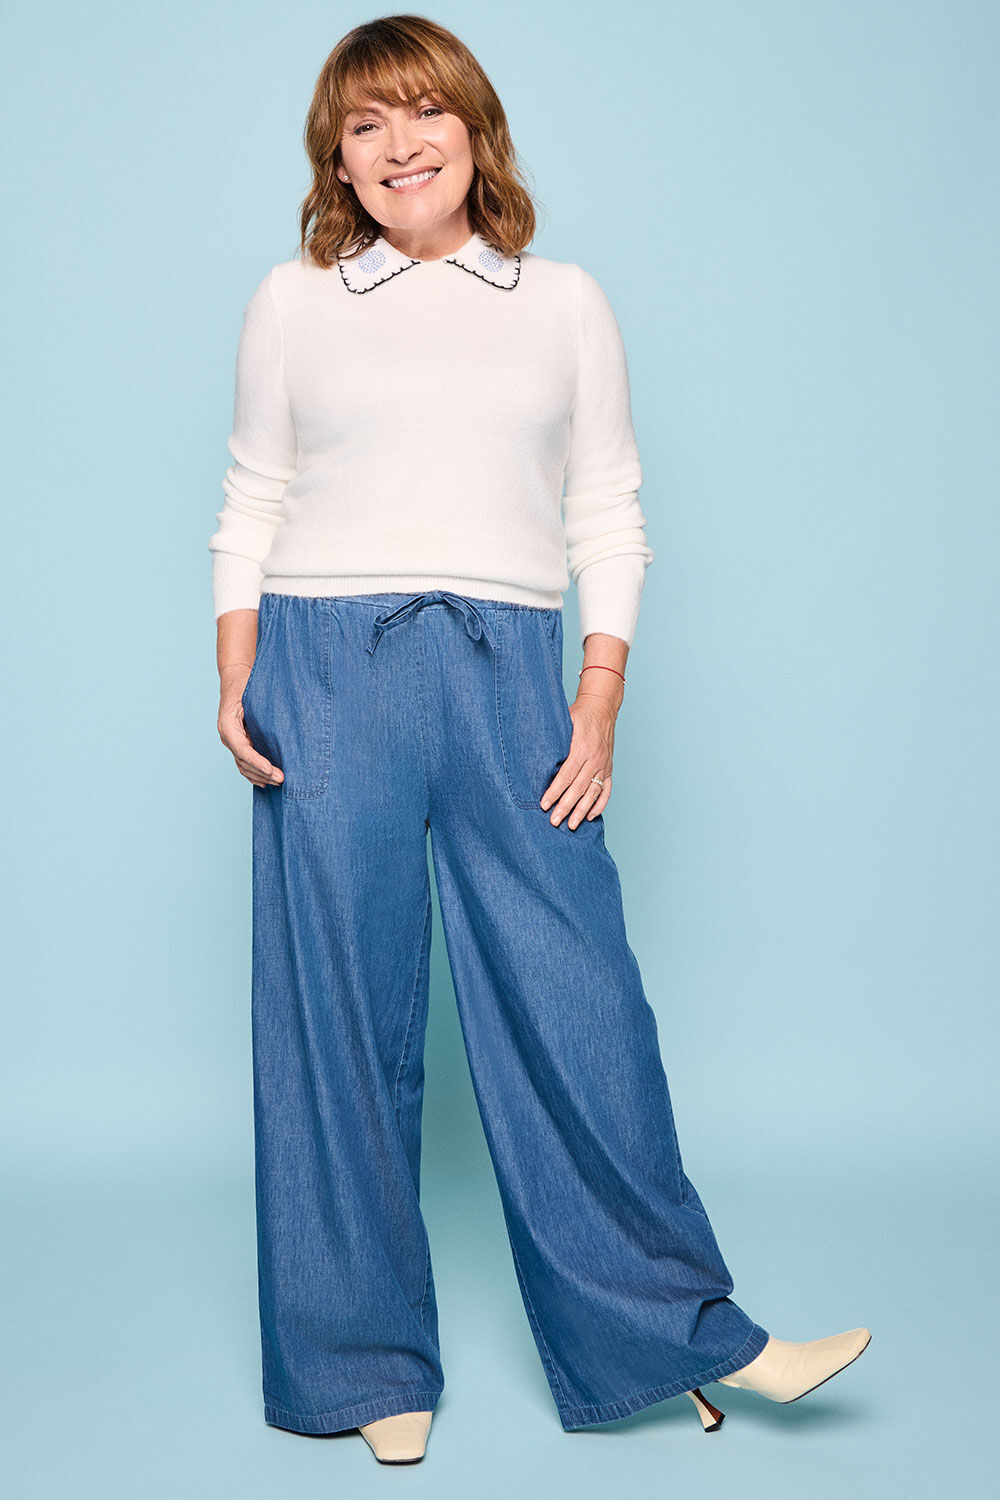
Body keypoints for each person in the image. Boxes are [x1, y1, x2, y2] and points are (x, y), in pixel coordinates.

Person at [208, 14, 870, 1466]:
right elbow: (253, 492)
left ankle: (690, 1335)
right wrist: (235, 671)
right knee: (336, 1015)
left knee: (579, 1002)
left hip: (511, 669)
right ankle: (364, 1367)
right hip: (322, 665)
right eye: (365, 125)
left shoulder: (562, 303)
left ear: (475, 131)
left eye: (423, 113)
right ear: (337, 157)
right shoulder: (293, 301)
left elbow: (607, 507)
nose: (399, 145)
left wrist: (599, 692)